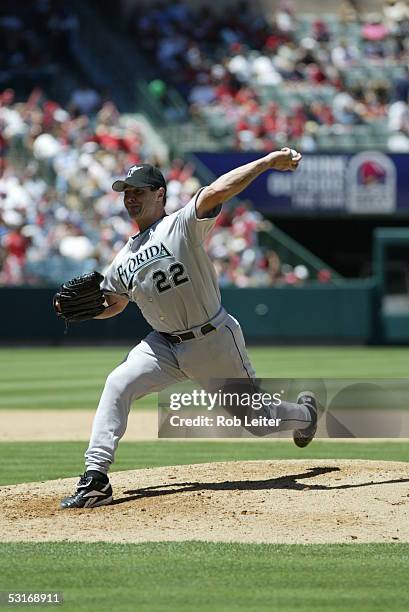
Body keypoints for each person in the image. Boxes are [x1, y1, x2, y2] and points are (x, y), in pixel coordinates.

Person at [60, 149, 318, 509]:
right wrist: (87, 312)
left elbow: (217, 190)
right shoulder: (122, 258)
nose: (130, 198)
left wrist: (265, 163)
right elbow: (114, 305)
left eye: (138, 191)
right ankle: (96, 477)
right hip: (162, 348)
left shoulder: (181, 224)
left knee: (258, 421)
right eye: (126, 192)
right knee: (118, 383)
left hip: (213, 341)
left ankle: (305, 414)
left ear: (160, 194)